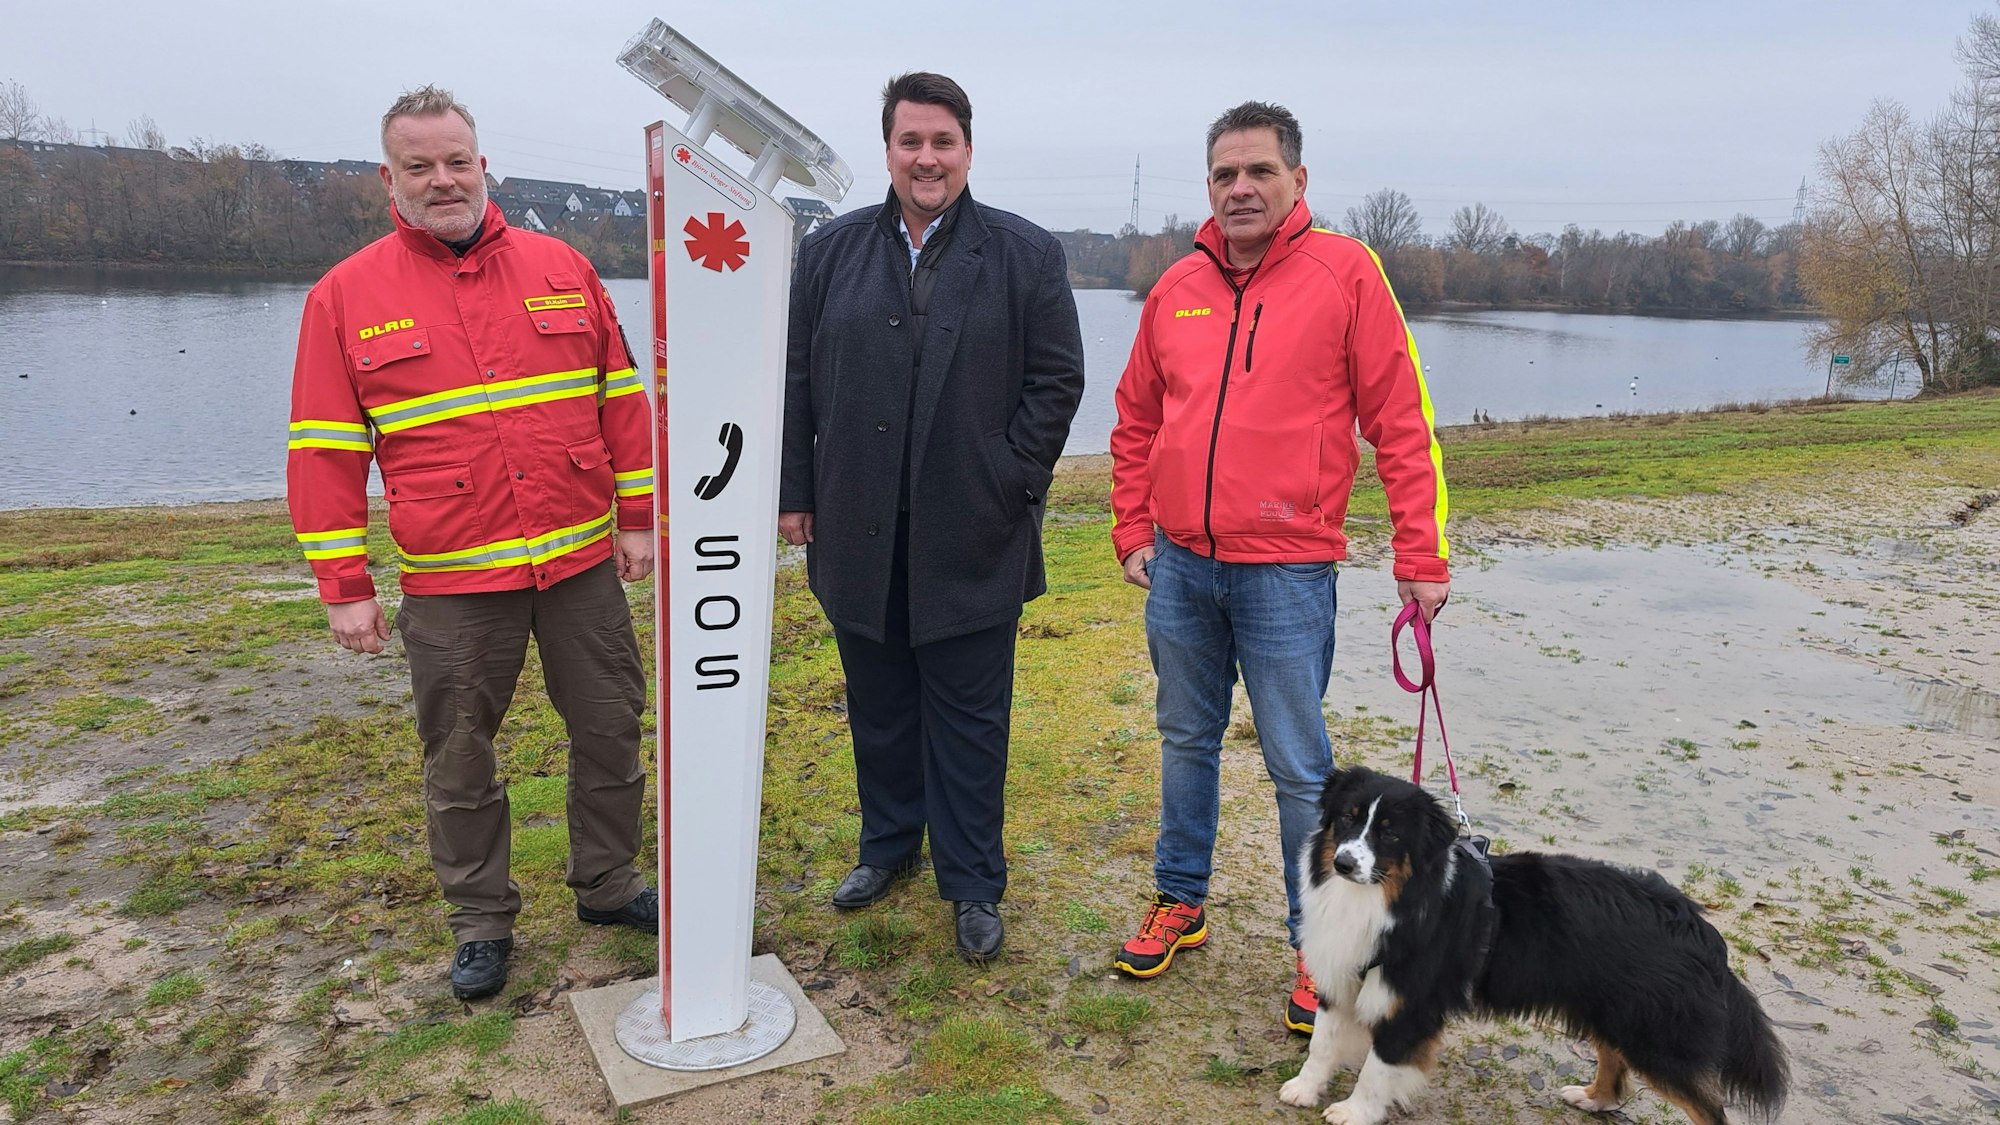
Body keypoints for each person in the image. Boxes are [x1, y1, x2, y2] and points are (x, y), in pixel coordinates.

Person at [287, 86, 660, 1002]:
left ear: (482, 162)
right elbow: (325, 450)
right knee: (459, 755)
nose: (442, 179)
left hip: (577, 565)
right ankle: (482, 921)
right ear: (392, 178)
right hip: (455, 580)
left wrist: (639, 516)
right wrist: (344, 582)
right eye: (420, 165)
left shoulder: (561, 265)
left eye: (457, 160)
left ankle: (607, 886)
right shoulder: (344, 296)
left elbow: (620, 398)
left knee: (611, 729)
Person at [1106, 102, 1451, 1032]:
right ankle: (1181, 898)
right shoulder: (1174, 285)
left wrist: (1422, 551)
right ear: (1208, 187)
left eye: (1258, 171)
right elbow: (1135, 418)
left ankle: (1319, 943)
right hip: (1180, 568)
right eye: (1224, 175)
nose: (1241, 189)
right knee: (1186, 737)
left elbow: (1400, 420)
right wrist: (1133, 525)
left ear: (1297, 180)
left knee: (1302, 770)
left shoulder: (1346, 275)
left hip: (1288, 573)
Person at [779, 72, 1084, 963]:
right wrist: (798, 490)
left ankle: (972, 881)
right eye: (910, 142)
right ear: (888, 149)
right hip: (856, 528)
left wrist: (1011, 477)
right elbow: (797, 377)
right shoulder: (831, 251)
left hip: (972, 531)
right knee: (878, 706)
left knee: (969, 716)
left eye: (942, 142)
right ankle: (887, 848)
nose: (926, 158)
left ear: (967, 150)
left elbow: (1056, 381)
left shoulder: (1025, 254)